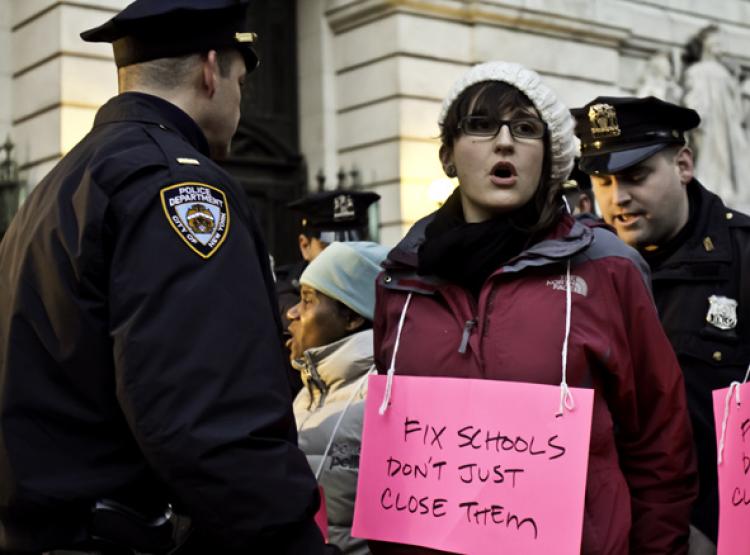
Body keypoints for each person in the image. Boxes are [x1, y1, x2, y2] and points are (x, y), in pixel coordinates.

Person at [0, 1, 336, 553]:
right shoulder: (176, 188)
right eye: (241, 82)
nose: (240, 102)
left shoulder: (62, 184)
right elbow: (207, 417)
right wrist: (291, 536)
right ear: (211, 70)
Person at [370, 61, 698, 554]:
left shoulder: (608, 270)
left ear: (548, 157)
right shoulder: (400, 280)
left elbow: (660, 446)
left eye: (525, 129)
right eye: (481, 126)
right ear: (447, 155)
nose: (504, 142)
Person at [572, 94, 750, 555]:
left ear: (683, 164)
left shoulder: (744, 259)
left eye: (635, 176)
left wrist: (721, 534)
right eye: (602, 180)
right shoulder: (577, 273)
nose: (617, 198)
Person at [287, 241, 388, 554]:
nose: (291, 312)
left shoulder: (383, 396)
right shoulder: (311, 387)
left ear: (352, 318)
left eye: (307, 300)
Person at [276, 190, 380, 394]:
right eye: (329, 247)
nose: (343, 256)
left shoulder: (380, 284)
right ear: (304, 246)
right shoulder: (282, 296)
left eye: (352, 243)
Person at [682, 25, 750, 207]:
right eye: (716, 41)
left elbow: (736, 108)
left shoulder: (726, 73)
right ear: (706, 44)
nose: (720, 45)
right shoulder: (698, 71)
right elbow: (695, 100)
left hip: (730, 127)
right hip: (711, 126)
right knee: (712, 162)